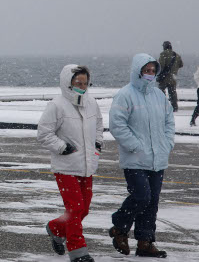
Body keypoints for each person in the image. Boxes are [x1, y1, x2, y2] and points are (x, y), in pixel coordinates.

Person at [108, 54, 174, 258]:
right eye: (147, 70)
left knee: (152, 201)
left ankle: (145, 242)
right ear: (138, 71)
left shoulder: (159, 96)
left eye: (153, 71)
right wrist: (135, 146)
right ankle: (119, 226)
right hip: (135, 159)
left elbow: (169, 122)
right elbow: (117, 125)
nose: (150, 74)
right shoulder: (125, 95)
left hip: (157, 159)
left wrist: (167, 143)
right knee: (141, 196)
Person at [38, 65, 103, 262]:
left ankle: (56, 228)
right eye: (78, 83)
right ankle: (77, 251)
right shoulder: (56, 106)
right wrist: (62, 147)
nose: (82, 87)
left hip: (87, 166)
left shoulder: (92, 103)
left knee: (83, 209)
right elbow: (43, 134)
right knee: (75, 208)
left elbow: (99, 126)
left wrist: (97, 145)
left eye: (85, 83)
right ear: (68, 83)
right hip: (65, 167)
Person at [156, 41, 182, 112]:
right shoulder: (177, 55)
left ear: (164, 46)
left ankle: (162, 107)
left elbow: (161, 66)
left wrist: (159, 74)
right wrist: (174, 70)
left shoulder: (163, 54)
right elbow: (181, 65)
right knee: (173, 93)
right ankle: (175, 107)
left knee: (161, 92)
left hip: (164, 78)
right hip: (173, 78)